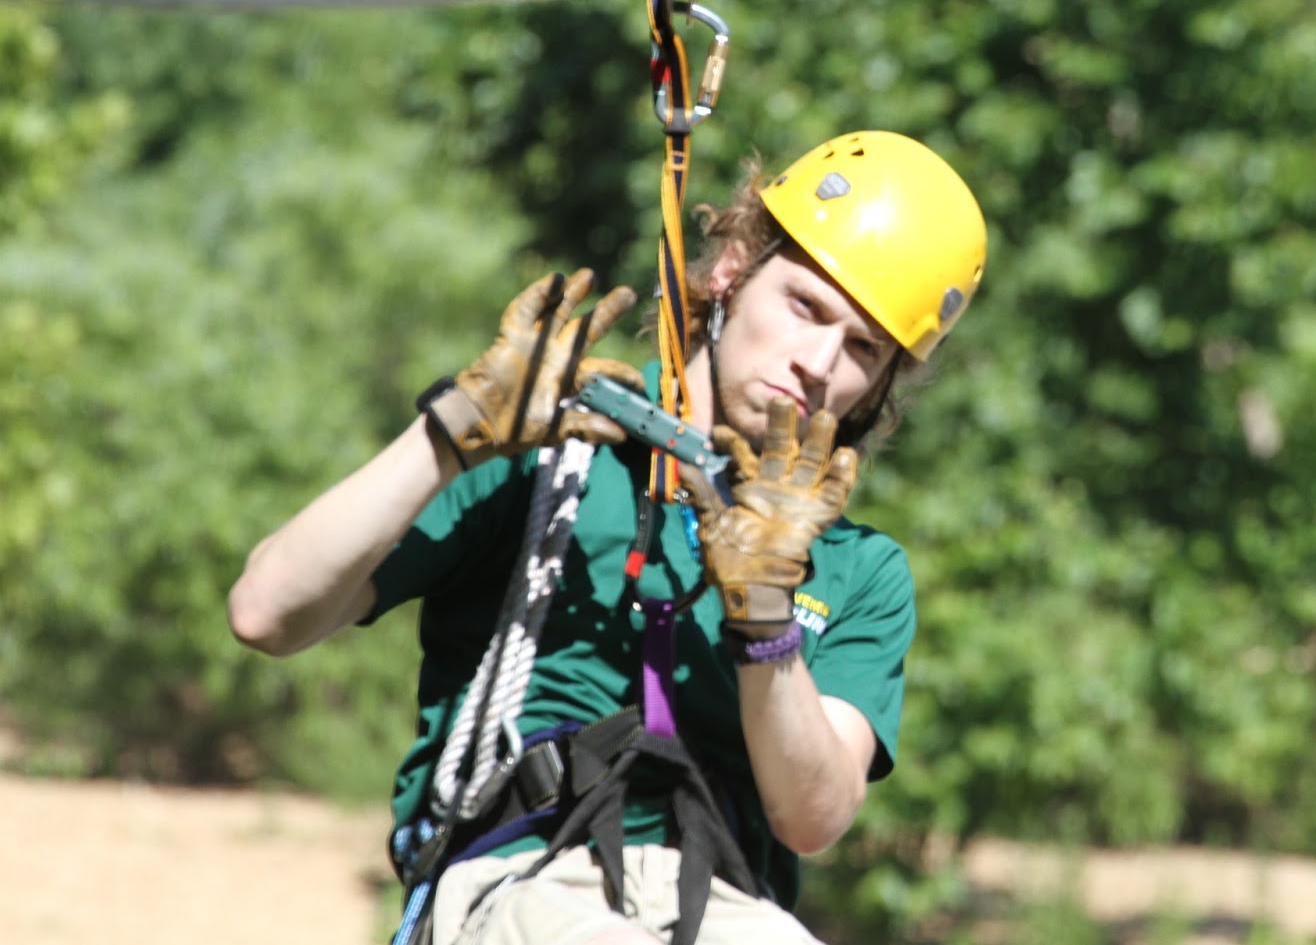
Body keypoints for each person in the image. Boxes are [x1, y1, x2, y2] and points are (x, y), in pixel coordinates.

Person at [227, 129, 987, 945]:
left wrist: (767, 612)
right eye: (806, 307)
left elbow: (812, 818)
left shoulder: (854, 568)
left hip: (728, 908)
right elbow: (267, 612)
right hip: (526, 879)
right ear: (733, 270)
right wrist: (447, 437)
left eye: (864, 348)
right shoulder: (545, 446)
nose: (818, 362)